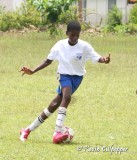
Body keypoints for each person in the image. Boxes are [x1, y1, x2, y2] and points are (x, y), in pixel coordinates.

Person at [19, 20, 110, 144]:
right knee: (66, 97)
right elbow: (48, 61)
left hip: (77, 78)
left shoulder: (84, 46)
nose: (75, 38)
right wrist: (33, 71)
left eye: (77, 35)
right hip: (63, 75)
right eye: (72, 35)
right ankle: (57, 132)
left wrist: (104, 60)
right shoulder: (59, 45)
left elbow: (96, 57)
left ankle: (27, 130)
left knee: (54, 104)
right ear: (67, 33)